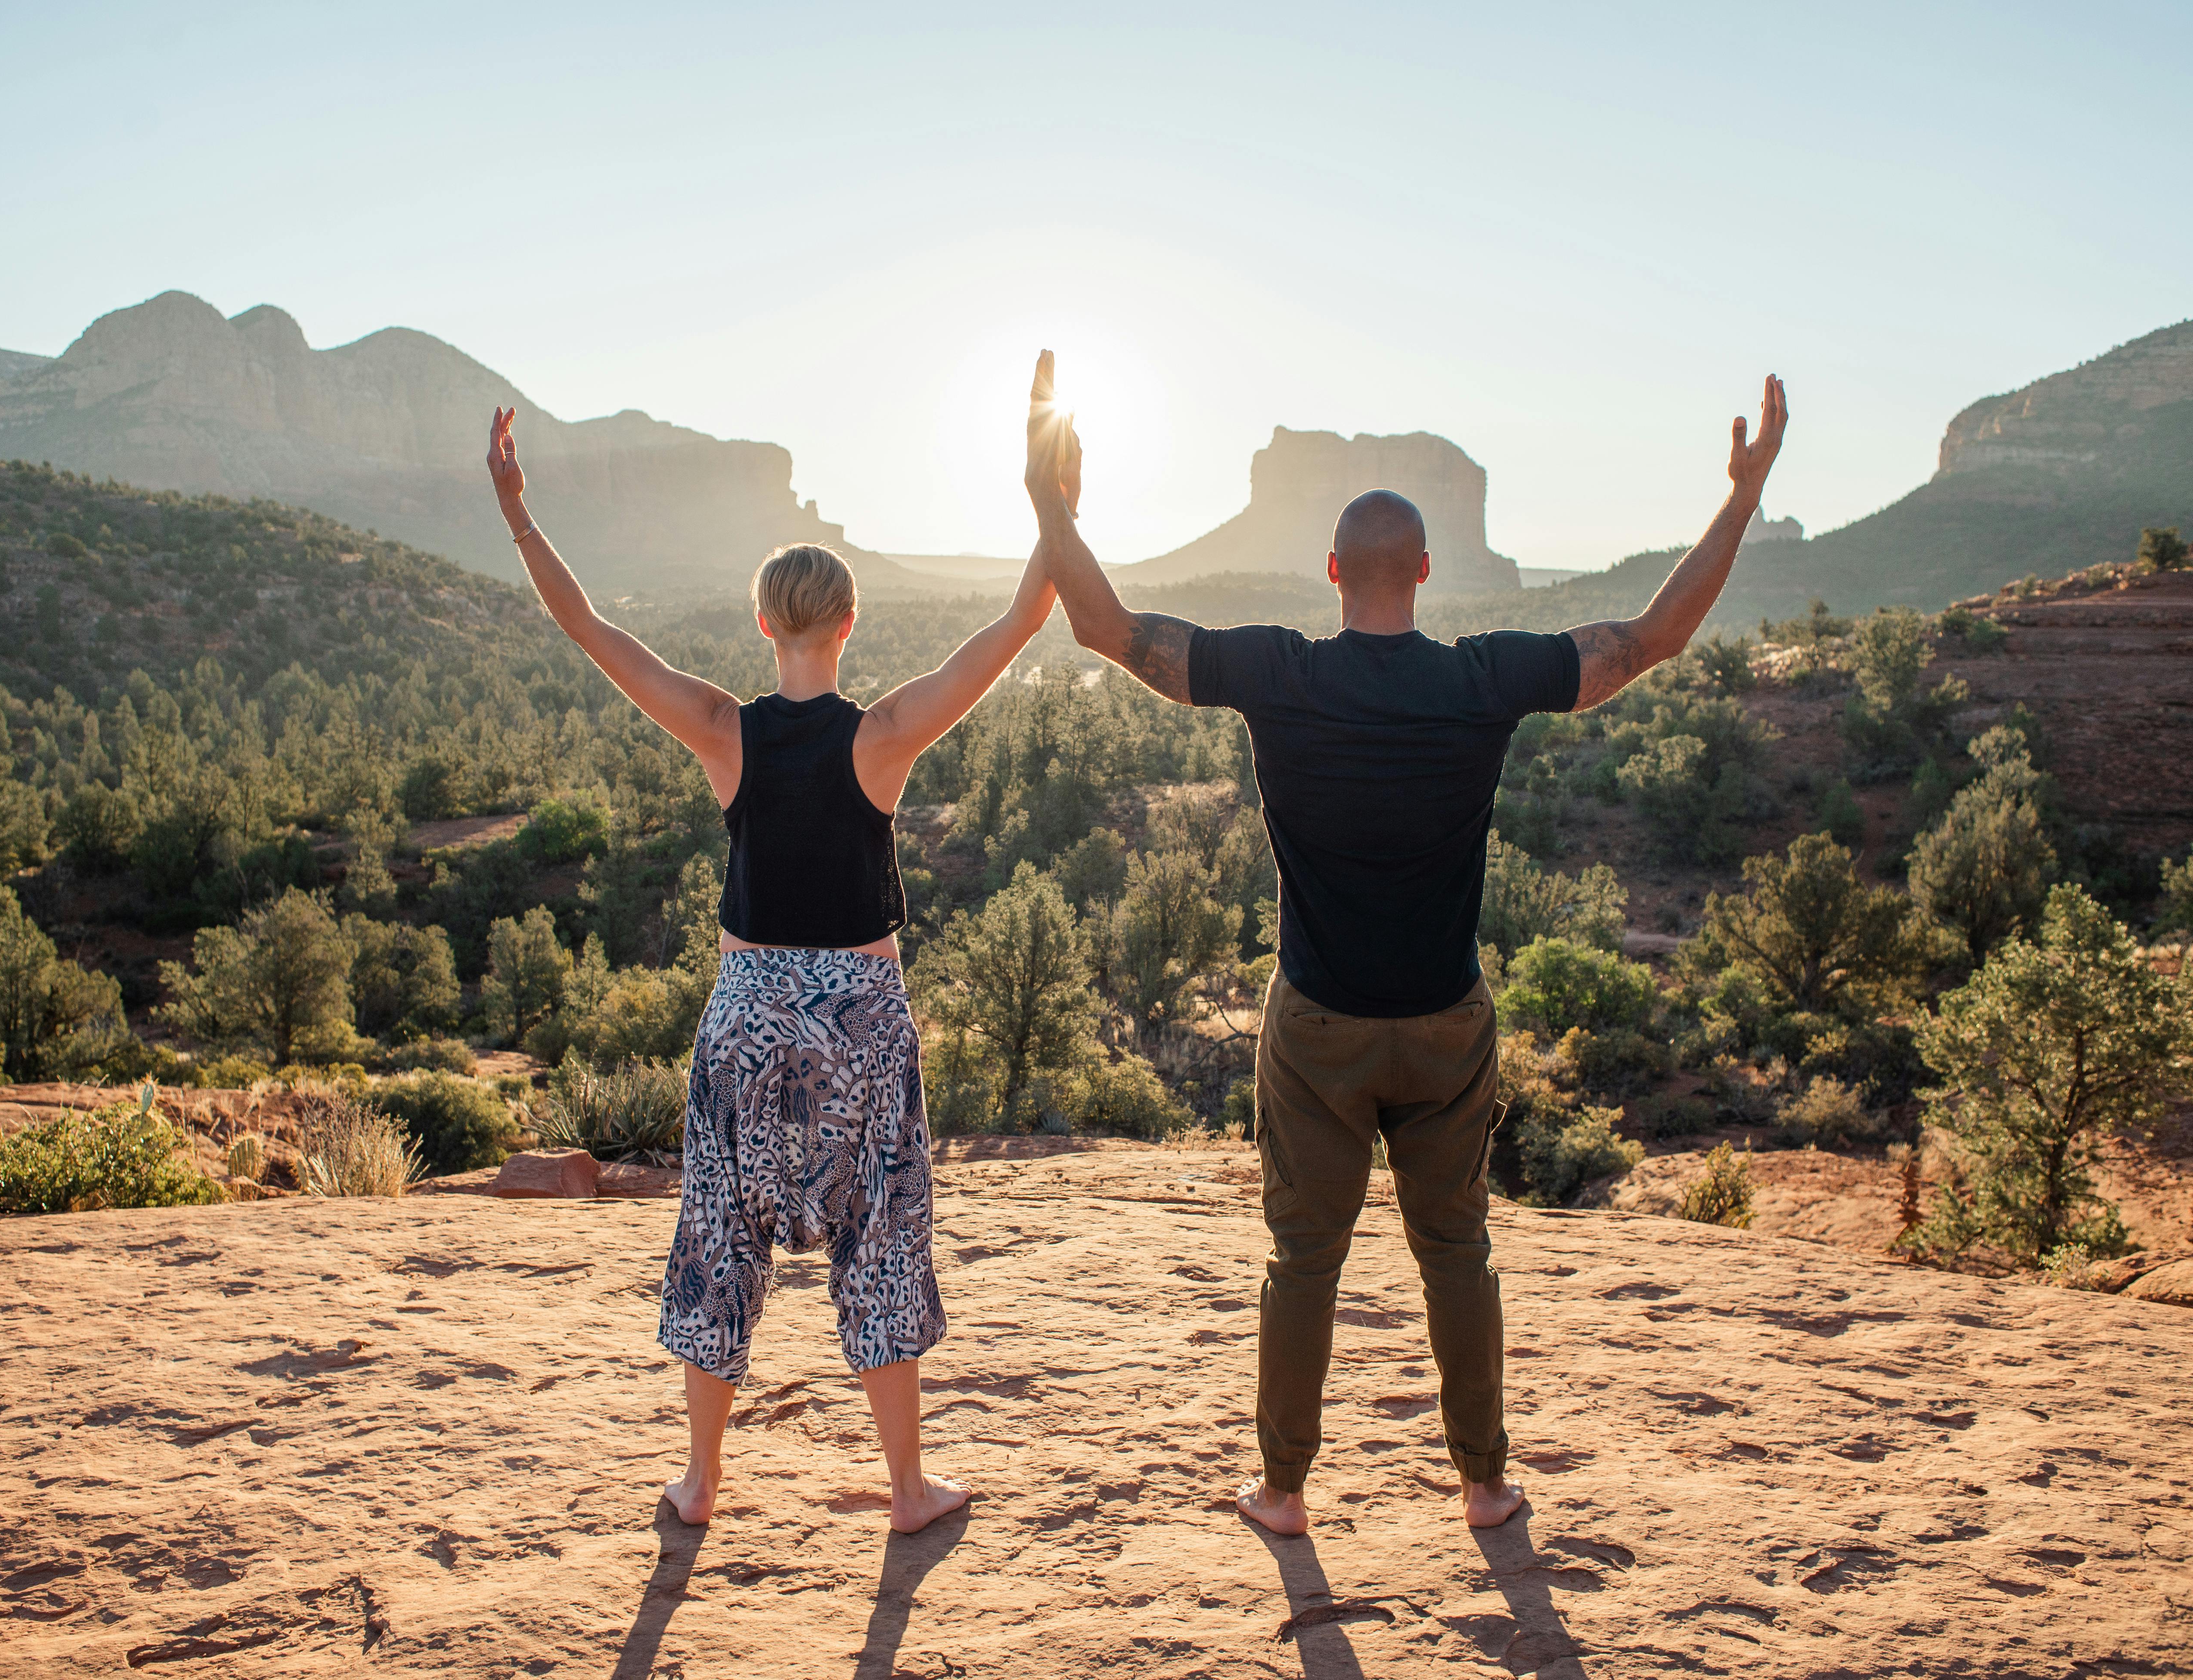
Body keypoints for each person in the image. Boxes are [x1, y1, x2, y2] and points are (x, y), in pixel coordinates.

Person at [1020, 353, 1788, 1533]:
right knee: (1458, 1251)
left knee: (1302, 1260)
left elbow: (1109, 629)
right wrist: (1741, 498)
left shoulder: (1275, 672)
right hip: (1445, 1019)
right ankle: (1484, 1484)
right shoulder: (1485, 679)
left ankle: (1283, 1491)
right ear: (1425, 572)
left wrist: (1052, 504)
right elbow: (1650, 640)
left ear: (1333, 572)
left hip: (1319, 1022)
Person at [485, 404, 1061, 1534]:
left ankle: (700, 1481)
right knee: (881, 1240)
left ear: (763, 623)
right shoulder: (883, 733)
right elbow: (1015, 622)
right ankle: (908, 1489)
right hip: (859, 1015)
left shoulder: (720, 727)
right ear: (849, 622)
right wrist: (1053, 503)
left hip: (746, 1015)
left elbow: (590, 626)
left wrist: (518, 513)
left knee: (719, 1239)